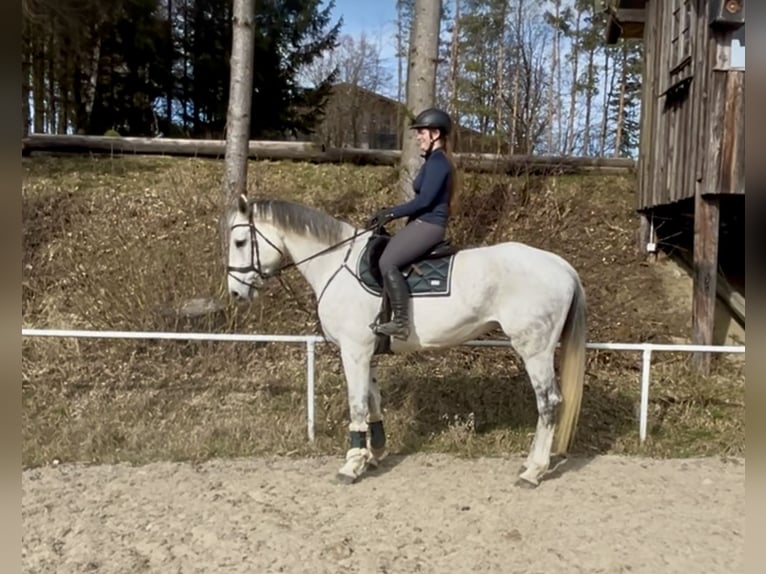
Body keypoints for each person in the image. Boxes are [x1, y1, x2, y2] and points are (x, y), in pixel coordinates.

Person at [366, 107, 458, 340]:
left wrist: (391, 213)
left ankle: (401, 323)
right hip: (421, 223)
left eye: (422, 132)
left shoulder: (439, 163)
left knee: (387, 260)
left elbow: (425, 200)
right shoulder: (433, 162)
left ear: (435, 134)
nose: (418, 137)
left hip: (429, 225)